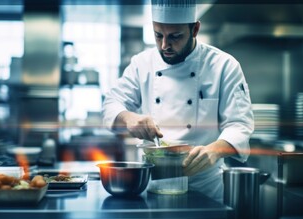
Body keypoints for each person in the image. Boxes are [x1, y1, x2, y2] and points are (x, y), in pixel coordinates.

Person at [102, 0, 254, 203]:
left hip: (206, 190)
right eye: (158, 35)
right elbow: (112, 103)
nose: (165, 45)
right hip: (153, 186)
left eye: (175, 36)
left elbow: (240, 125)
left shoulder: (224, 66)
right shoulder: (142, 64)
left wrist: (215, 150)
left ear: (195, 29)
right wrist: (128, 118)